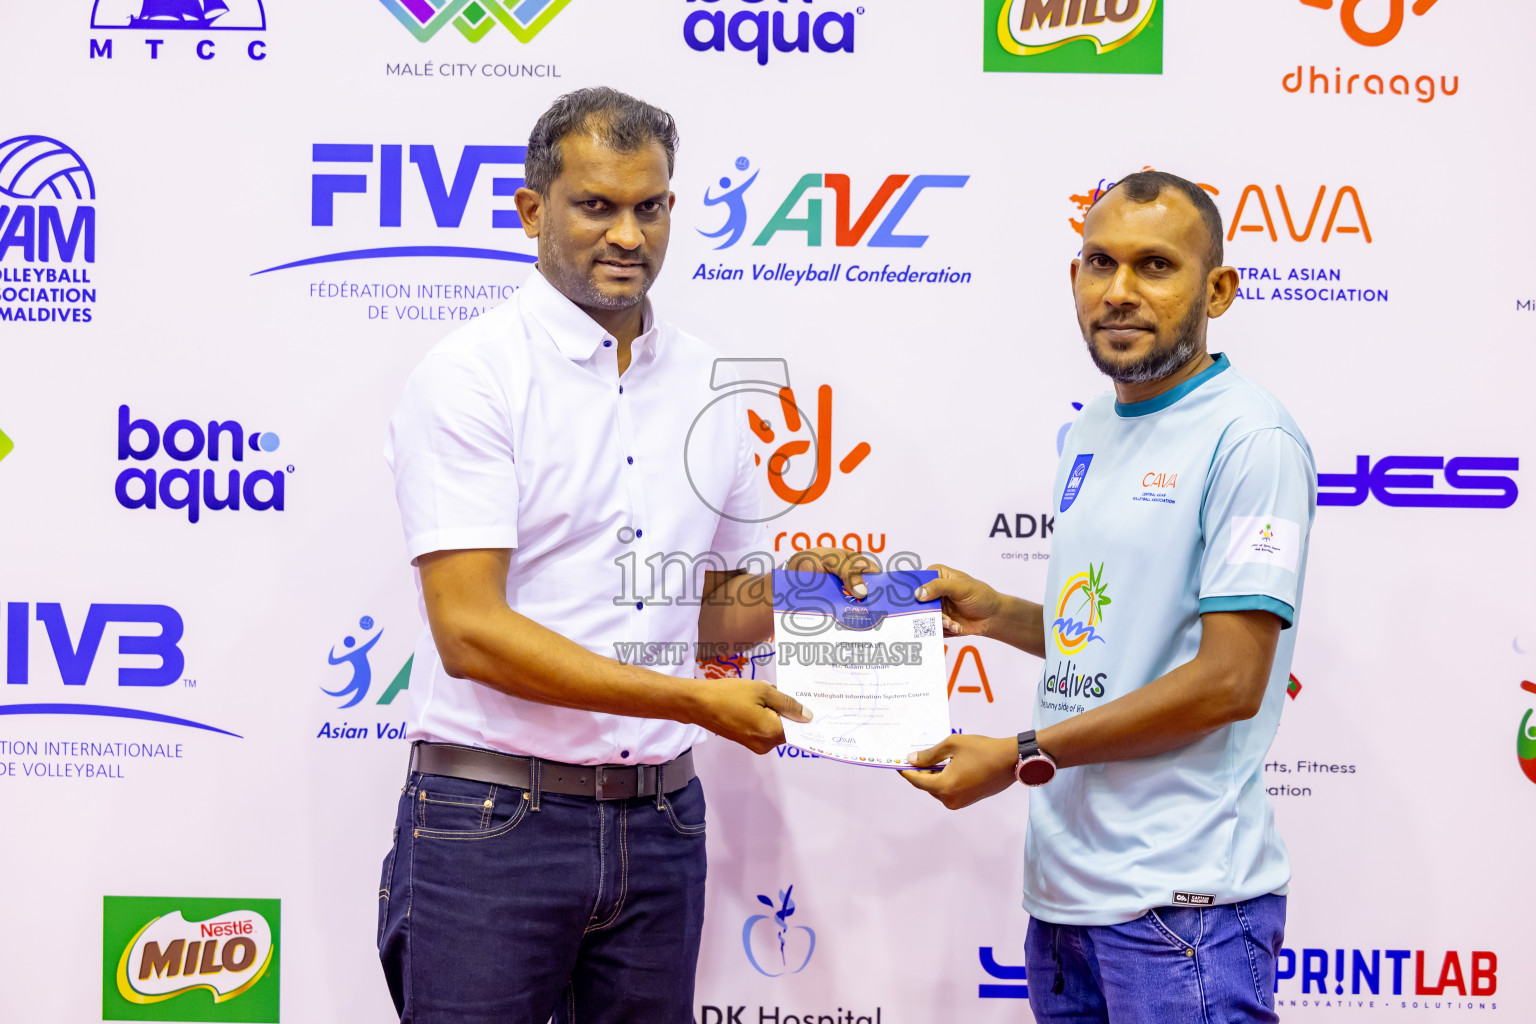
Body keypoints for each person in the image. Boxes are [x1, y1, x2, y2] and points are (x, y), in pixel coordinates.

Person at [376, 87, 823, 1024]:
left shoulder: (711, 382)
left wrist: (863, 603)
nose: (629, 235)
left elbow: (729, 610)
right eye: (597, 206)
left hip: (661, 825)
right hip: (493, 822)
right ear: (532, 210)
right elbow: (472, 633)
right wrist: (693, 699)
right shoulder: (470, 377)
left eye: (649, 207)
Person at [900, 171, 1317, 1024]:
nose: (1119, 293)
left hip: (1185, 910)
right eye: (1100, 263)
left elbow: (1227, 682)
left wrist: (1019, 753)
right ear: (1074, 278)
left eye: (1155, 266)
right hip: (1067, 903)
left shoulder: (1252, 439)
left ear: (1218, 289)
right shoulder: (1096, 424)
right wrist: (1000, 614)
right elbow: (1125, 639)